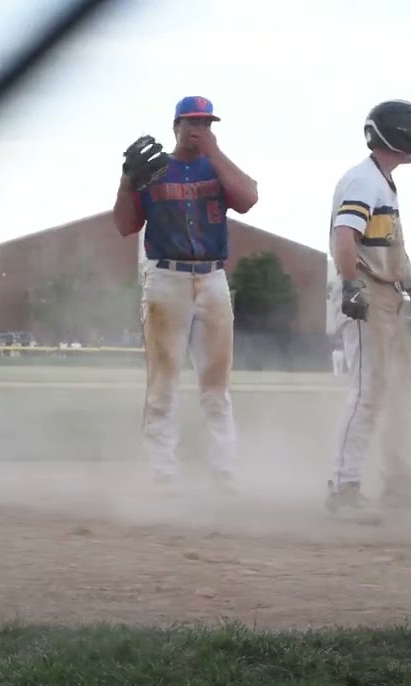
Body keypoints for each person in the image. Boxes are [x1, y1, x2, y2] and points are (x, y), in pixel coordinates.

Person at [112, 95, 259, 488]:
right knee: (163, 383)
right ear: (175, 126)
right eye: (193, 122)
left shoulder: (218, 166)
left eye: (208, 122)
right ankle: (162, 472)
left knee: (217, 385)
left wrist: (216, 151)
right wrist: (128, 182)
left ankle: (223, 470)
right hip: (167, 279)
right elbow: (125, 225)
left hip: (212, 278)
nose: (200, 129)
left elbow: (248, 199)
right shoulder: (155, 171)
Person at [327, 99, 411, 519]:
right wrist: (353, 286)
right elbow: (344, 236)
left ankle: (397, 481)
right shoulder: (363, 181)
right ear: (393, 134)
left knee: (403, 391)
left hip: (388, 296)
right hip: (368, 295)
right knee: (366, 393)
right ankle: (343, 489)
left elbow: (393, 250)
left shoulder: (383, 183)